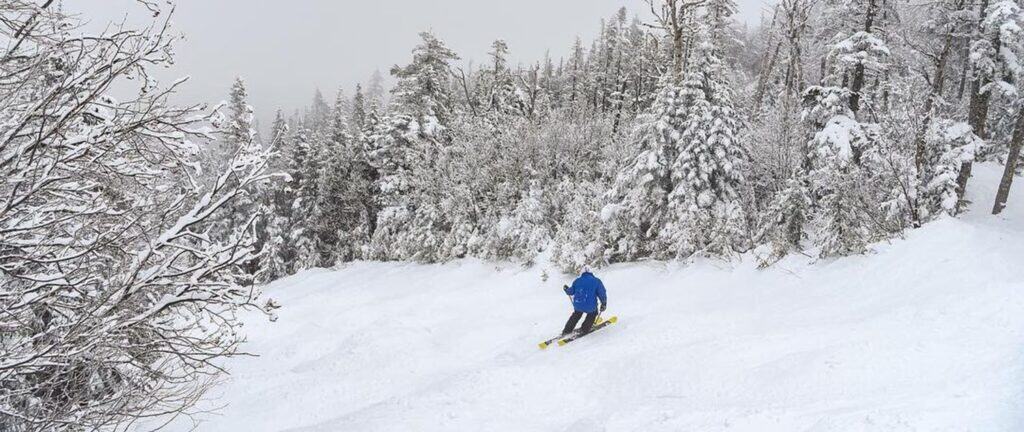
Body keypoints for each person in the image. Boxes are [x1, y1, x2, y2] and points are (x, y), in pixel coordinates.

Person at [561, 266, 607, 336]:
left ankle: (567, 330)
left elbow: (571, 291)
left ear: (582, 272)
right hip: (590, 306)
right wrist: (604, 303)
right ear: (591, 272)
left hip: (578, 304)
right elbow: (602, 293)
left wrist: (566, 289)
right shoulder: (596, 281)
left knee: (576, 315)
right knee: (592, 314)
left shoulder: (577, 281)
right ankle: (585, 329)